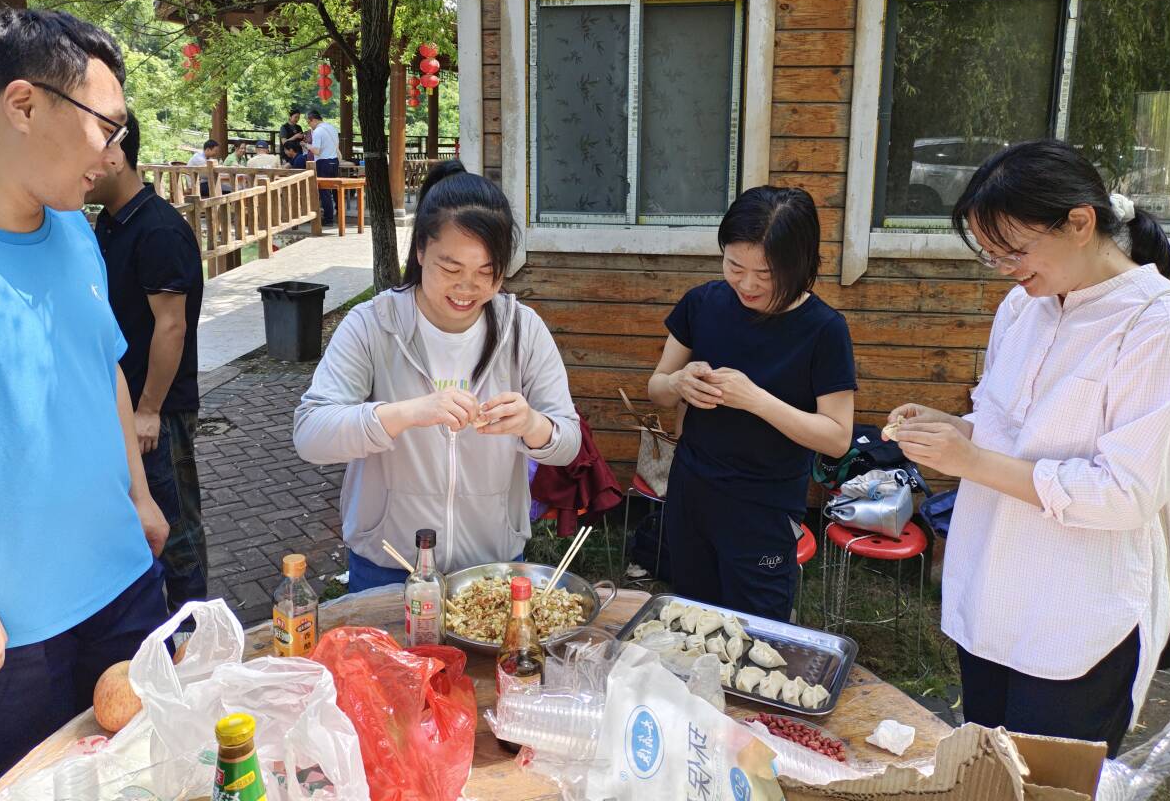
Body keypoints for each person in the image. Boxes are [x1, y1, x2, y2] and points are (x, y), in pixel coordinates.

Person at [0, 7, 169, 795]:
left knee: (152, 777)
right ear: (23, 104)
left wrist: (140, 494)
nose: (114, 155)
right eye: (105, 128)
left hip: (123, 594)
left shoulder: (73, 230)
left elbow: (103, 365)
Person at [888, 139, 1170, 757]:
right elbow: (1005, 426)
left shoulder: (1157, 325)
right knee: (986, 770)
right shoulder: (1024, 306)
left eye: (1014, 251)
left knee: (1046, 785)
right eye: (992, 255)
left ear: (1080, 222)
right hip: (990, 589)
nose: (1005, 269)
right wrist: (954, 430)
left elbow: (1126, 493)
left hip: (1079, 617)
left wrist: (972, 461)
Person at [293, 160, 581, 589]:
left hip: (492, 567)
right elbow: (311, 434)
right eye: (451, 269)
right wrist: (407, 413)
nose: (468, 287)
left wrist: (532, 424)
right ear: (421, 251)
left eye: (487, 272)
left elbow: (568, 442)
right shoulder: (373, 324)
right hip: (390, 564)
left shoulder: (522, 329)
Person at [647, 186, 856, 621]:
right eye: (734, 266)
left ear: (799, 264)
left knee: (757, 628)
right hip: (692, 491)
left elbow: (837, 437)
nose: (746, 283)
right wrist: (680, 383)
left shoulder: (824, 330)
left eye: (765, 272)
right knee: (692, 617)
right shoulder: (702, 303)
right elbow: (657, 389)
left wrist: (756, 399)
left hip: (765, 506)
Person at [86, 112, 208, 614]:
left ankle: (195, 632)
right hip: (125, 403)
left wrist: (149, 410)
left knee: (175, 528)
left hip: (157, 411)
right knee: (137, 522)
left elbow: (171, 325)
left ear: (117, 155)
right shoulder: (109, 222)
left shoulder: (158, 229)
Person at [306, 108, 339, 224]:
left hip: (323, 162)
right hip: (334, 161)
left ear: (313, 120)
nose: (309, 125)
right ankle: (339, 213)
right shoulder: (332, 128)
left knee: (324, 191)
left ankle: (328, 218)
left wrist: (307, 145)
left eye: (308, 122)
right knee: (335, 189)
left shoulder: (318, 131)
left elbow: (316, 151)